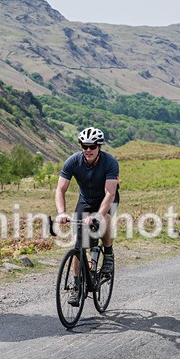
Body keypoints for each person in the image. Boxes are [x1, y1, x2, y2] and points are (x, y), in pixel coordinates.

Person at [55, 127, 120, 306]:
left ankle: (108, 254)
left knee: (104, 219)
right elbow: (60, 190)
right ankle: (76, 286)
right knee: (79, 243)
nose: (88, 150)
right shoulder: (73, 161)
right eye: (84, 146)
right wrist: (61, 213)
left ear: (99, 146)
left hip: (106, 199)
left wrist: (97, 216)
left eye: (92, 146)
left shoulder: (110, 162)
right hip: (85, 200)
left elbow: (110, 194)